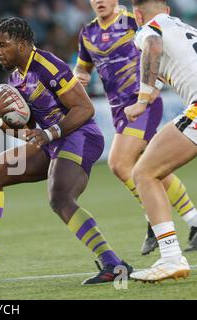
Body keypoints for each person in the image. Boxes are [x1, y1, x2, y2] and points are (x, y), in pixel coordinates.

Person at [0, 17, 132, 285]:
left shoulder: (48, 66)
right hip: (51, 141)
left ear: (22, 43)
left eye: (3, 45)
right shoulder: (15, 79)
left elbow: (84, 109)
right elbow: (27, 131)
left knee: (60, 197)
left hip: (80, 136)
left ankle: (114, 264)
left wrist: (48, 133)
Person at [73, 0, 197, 255]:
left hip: (143, 102)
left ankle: (154, 219)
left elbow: (155, 48)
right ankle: (193, 221)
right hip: (119, 108)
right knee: (151, 165)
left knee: (119, 163)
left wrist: (144, 97)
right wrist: (80, 77)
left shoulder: (135, 21)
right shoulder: (88, 33)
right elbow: (82, 68)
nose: (99, 1)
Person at [124, 0, 197, 282]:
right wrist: (151, 90)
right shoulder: (183, 27)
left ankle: (170, 258)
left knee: (144, 173)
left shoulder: (148, 29)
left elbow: (152, 45)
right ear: (167, 10)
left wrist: (142, 100)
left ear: (137, 14)